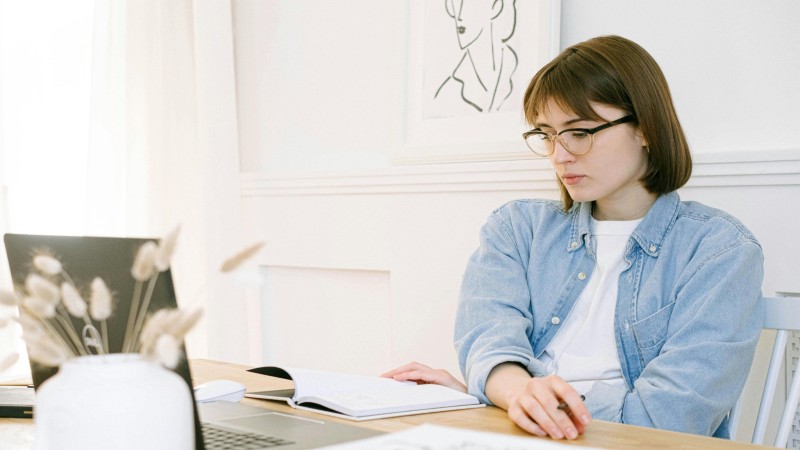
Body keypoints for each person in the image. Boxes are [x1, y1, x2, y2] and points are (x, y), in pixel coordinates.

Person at [382, 35, 764, 440]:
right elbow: (488, 343)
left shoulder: (720, 251)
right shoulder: (517, 229)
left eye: (579, 132)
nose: (559, 155)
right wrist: (509, 394)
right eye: (547, 135)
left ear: (646, 128)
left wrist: (505, 399)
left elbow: (668, 416)